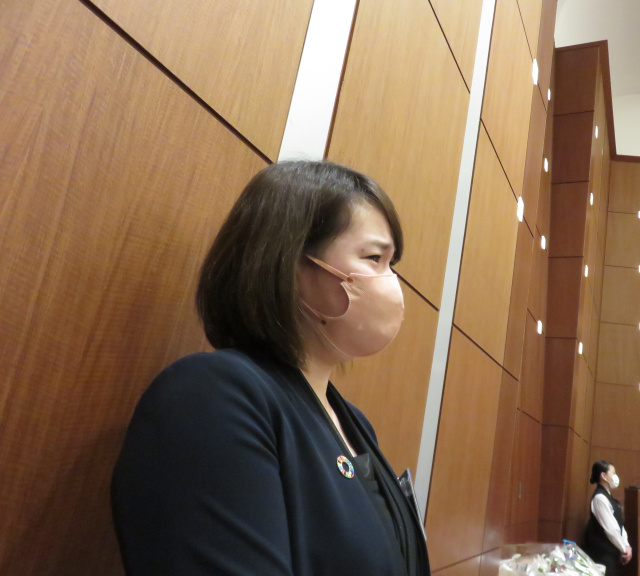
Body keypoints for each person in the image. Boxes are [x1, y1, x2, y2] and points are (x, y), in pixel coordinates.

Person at [111, 161, 430, 576]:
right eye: (374, 258)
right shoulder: (213, 397)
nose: (391, 283)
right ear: (289, 262)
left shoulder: (355, 424)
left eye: (392, 264)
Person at [583, 460, 632, 576]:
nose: (616, 477)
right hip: (602, 555)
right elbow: (611, 529)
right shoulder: (600, 498)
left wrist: (626, 545)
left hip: (612, 554)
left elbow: (619, 526)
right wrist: (624, 549)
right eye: (613, 473)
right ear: (604, 476)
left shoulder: (609, 498)